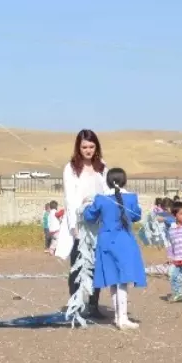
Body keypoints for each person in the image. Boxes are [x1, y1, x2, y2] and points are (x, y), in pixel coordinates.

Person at [83, 168, 146, 329]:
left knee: (112, 279)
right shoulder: (131, 198)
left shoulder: (101, 199)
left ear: (108, 181)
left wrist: (86, 205)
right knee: (123, 281)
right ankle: (122, 317)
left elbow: (89, 217)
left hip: (105, 241)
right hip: (124, 241)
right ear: (124, 181)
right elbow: (137, 215)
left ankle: (118, 317)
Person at [55, 130, 108, 317]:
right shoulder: (70, 168)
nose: (88, 150)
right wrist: (73, 226)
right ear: (78, 147)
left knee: (96, 265)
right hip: (79, 223)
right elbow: (69, 198)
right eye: (84, 147)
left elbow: (107, 193)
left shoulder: (102, 167)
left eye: (92, 147)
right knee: (78, 265)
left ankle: (94, 305)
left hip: (99, 225)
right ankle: (76, 305)